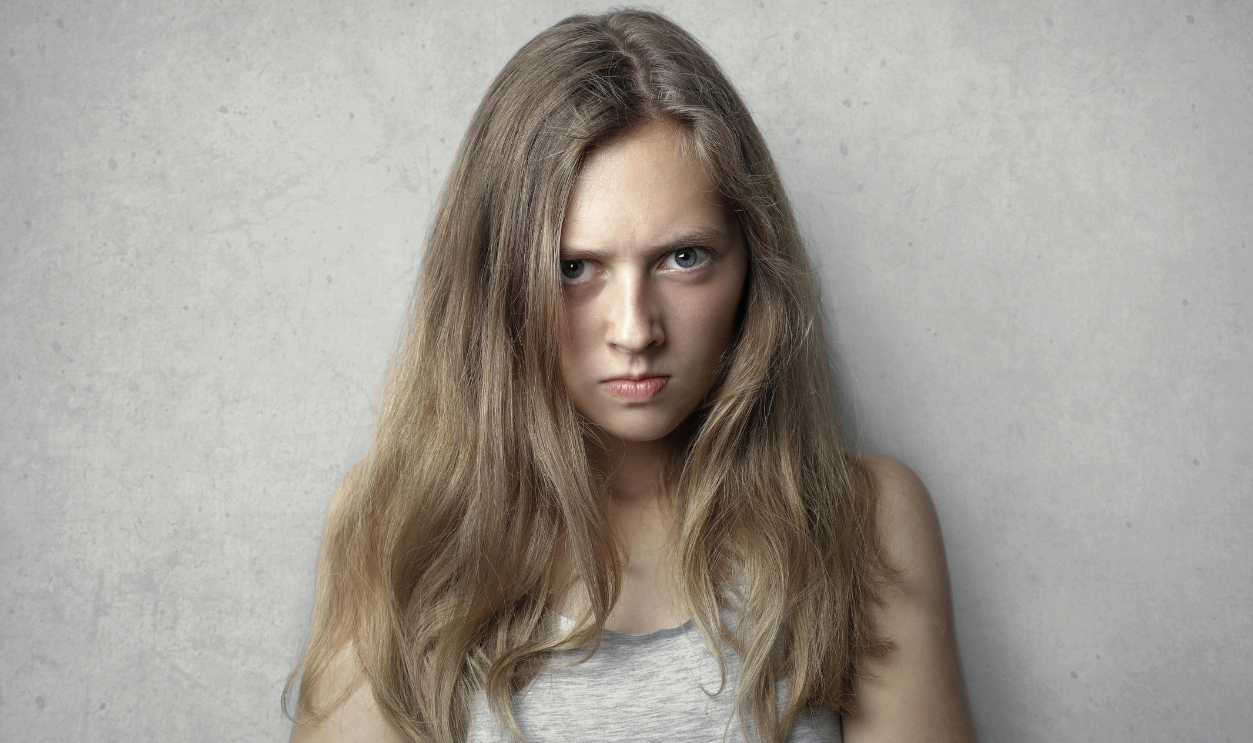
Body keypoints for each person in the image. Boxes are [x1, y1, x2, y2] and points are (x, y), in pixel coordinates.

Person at [287, 9, 976, 743]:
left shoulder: (859, 519)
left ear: (752, 264)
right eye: (573, 268)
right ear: (495, 282)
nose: (634, 330)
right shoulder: (398, 522)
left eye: (683, 258)